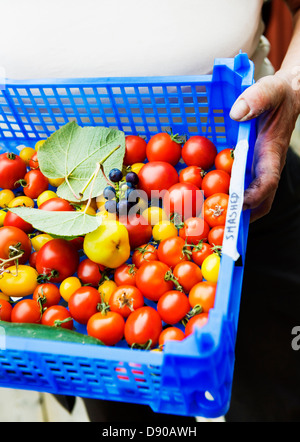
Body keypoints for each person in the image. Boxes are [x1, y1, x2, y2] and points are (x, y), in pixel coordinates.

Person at [1, 0, 300, 422]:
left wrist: (293, 82)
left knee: (277, 389)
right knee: (125, 416)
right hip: (68, 191)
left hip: (243, 174)